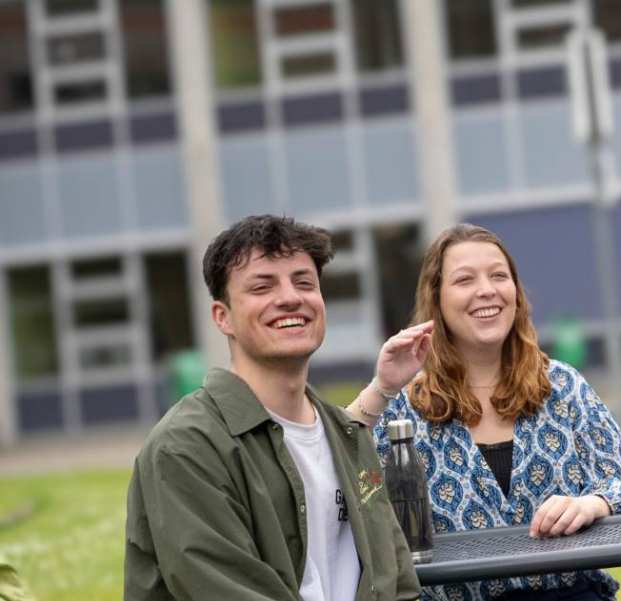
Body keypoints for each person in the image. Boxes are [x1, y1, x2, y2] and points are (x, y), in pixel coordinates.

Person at [125, 215, 420, 601]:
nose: (290, 297)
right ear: (222, 317)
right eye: (263, 286)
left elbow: (395, 578)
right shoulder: (186, 447)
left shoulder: (348, 436)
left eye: (304, 282)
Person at [345, 225, 621, 601]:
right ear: (436, 299)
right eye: (465, 279)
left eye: (498, 276)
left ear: (516, 295)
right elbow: (335, 478)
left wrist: (593, 503)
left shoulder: (563, 387)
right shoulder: (404, 404)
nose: (486, 290)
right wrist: (381, 388)